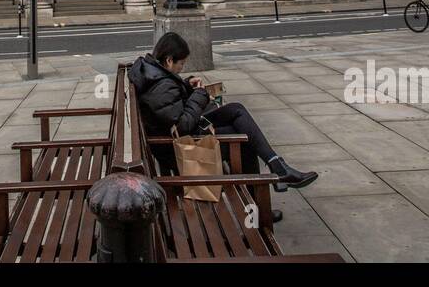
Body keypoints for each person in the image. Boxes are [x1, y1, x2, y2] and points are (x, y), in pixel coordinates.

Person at [129, 32, 317, 194]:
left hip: (176, 139)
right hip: (178, 150)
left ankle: (277, 166)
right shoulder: (161, 85)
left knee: (236, 110)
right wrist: (200, 95)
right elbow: (182, 124)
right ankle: (258, 204)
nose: (182, 68)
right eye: (181, 64)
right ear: (169, 60)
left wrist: (185, 85)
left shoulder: (154, 73)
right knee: (245, 141)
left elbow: (167, 104)